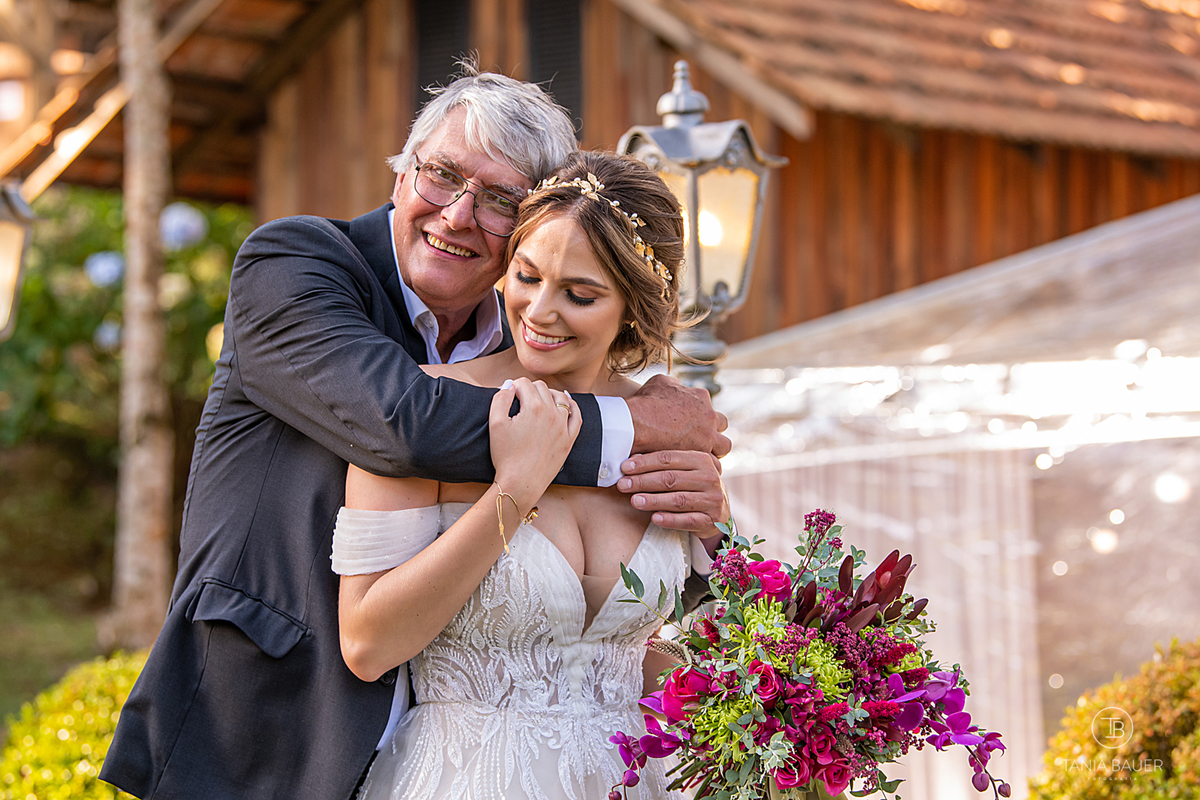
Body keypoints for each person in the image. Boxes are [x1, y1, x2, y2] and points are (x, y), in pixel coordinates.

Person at [100, 68, 728, 800]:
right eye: (441, 175)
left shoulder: (530, 344)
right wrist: (635, 425)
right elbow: (403, 425)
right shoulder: (295, 266)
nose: (459, 215)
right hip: (274, 731)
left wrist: (711, 526)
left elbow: (646, 622)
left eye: (500, 200)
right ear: (402, 172)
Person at [338, 150, 702, 800]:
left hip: (639, 780)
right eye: (526, 275)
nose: (538, 310)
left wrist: (721, 532)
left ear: (636, 306)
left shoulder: (667, 427)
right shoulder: (425, 410)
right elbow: (367, 643)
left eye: (580, 294)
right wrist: (513, 492)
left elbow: (617, 659)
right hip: (468, 780)